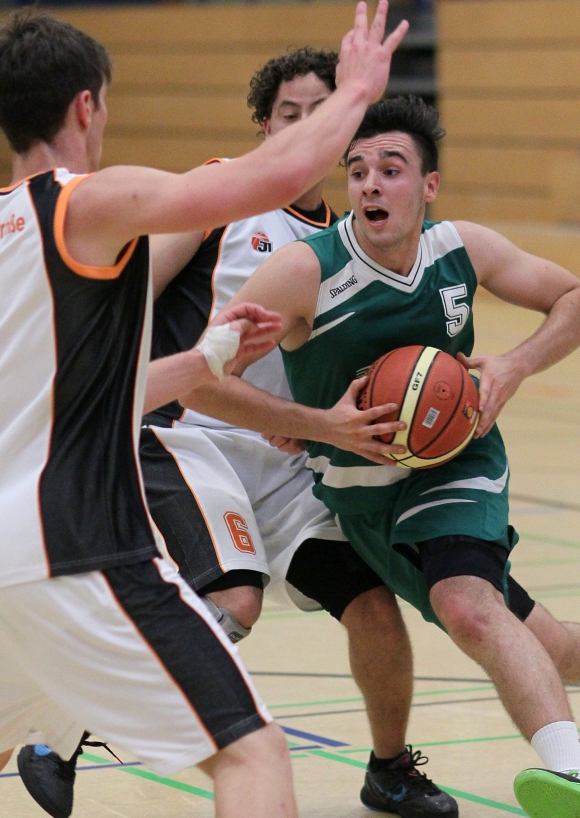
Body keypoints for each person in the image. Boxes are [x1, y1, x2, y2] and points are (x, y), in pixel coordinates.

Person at [17, 50, 580, 818]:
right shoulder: (229, 201)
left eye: (331, 115)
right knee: (239, 602)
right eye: (296, 117)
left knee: (396, 610)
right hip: (196, 433)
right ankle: (70, 725)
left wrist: (501, 368)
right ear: (268, 127)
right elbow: (119, 296)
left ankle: (388, 767)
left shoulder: (408, 239)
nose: (316, 133)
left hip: (306, 458)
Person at [0, 6, 410, 818]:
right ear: (89, 106)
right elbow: (263, 181)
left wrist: (205, 361)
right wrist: (356, 91)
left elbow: (63, 396)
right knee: (250, 754)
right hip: (71, 541)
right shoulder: (83, 201)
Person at [169, 96, 580, 817]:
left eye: (391, 169)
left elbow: (571, 296)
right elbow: (199, 378)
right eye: (358, 170)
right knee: (547, 645)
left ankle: (571, 772)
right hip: (358, 500)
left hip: (455, 469)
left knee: (468, 606)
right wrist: (313, 422)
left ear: (429, 186)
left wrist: (514, 365)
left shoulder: (462, 247)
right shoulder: (306, 271)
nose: (369, 184)